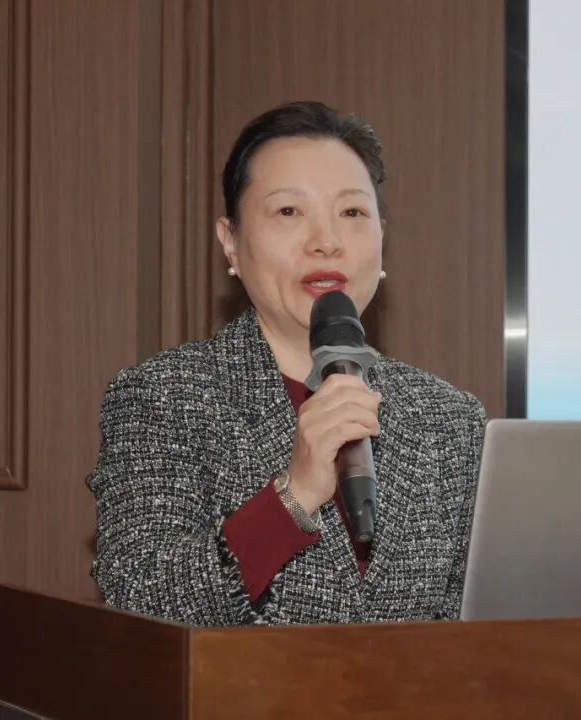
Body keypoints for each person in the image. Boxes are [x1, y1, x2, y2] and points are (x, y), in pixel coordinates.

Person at [86, 101, 486, 626]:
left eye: (352, 213)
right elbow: (140, 602)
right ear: (231, 242)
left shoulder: (450, 420)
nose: (326, 242)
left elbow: (480, 626)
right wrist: (292, 497)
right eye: (289, 212)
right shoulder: (162, 398)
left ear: (382, 236)